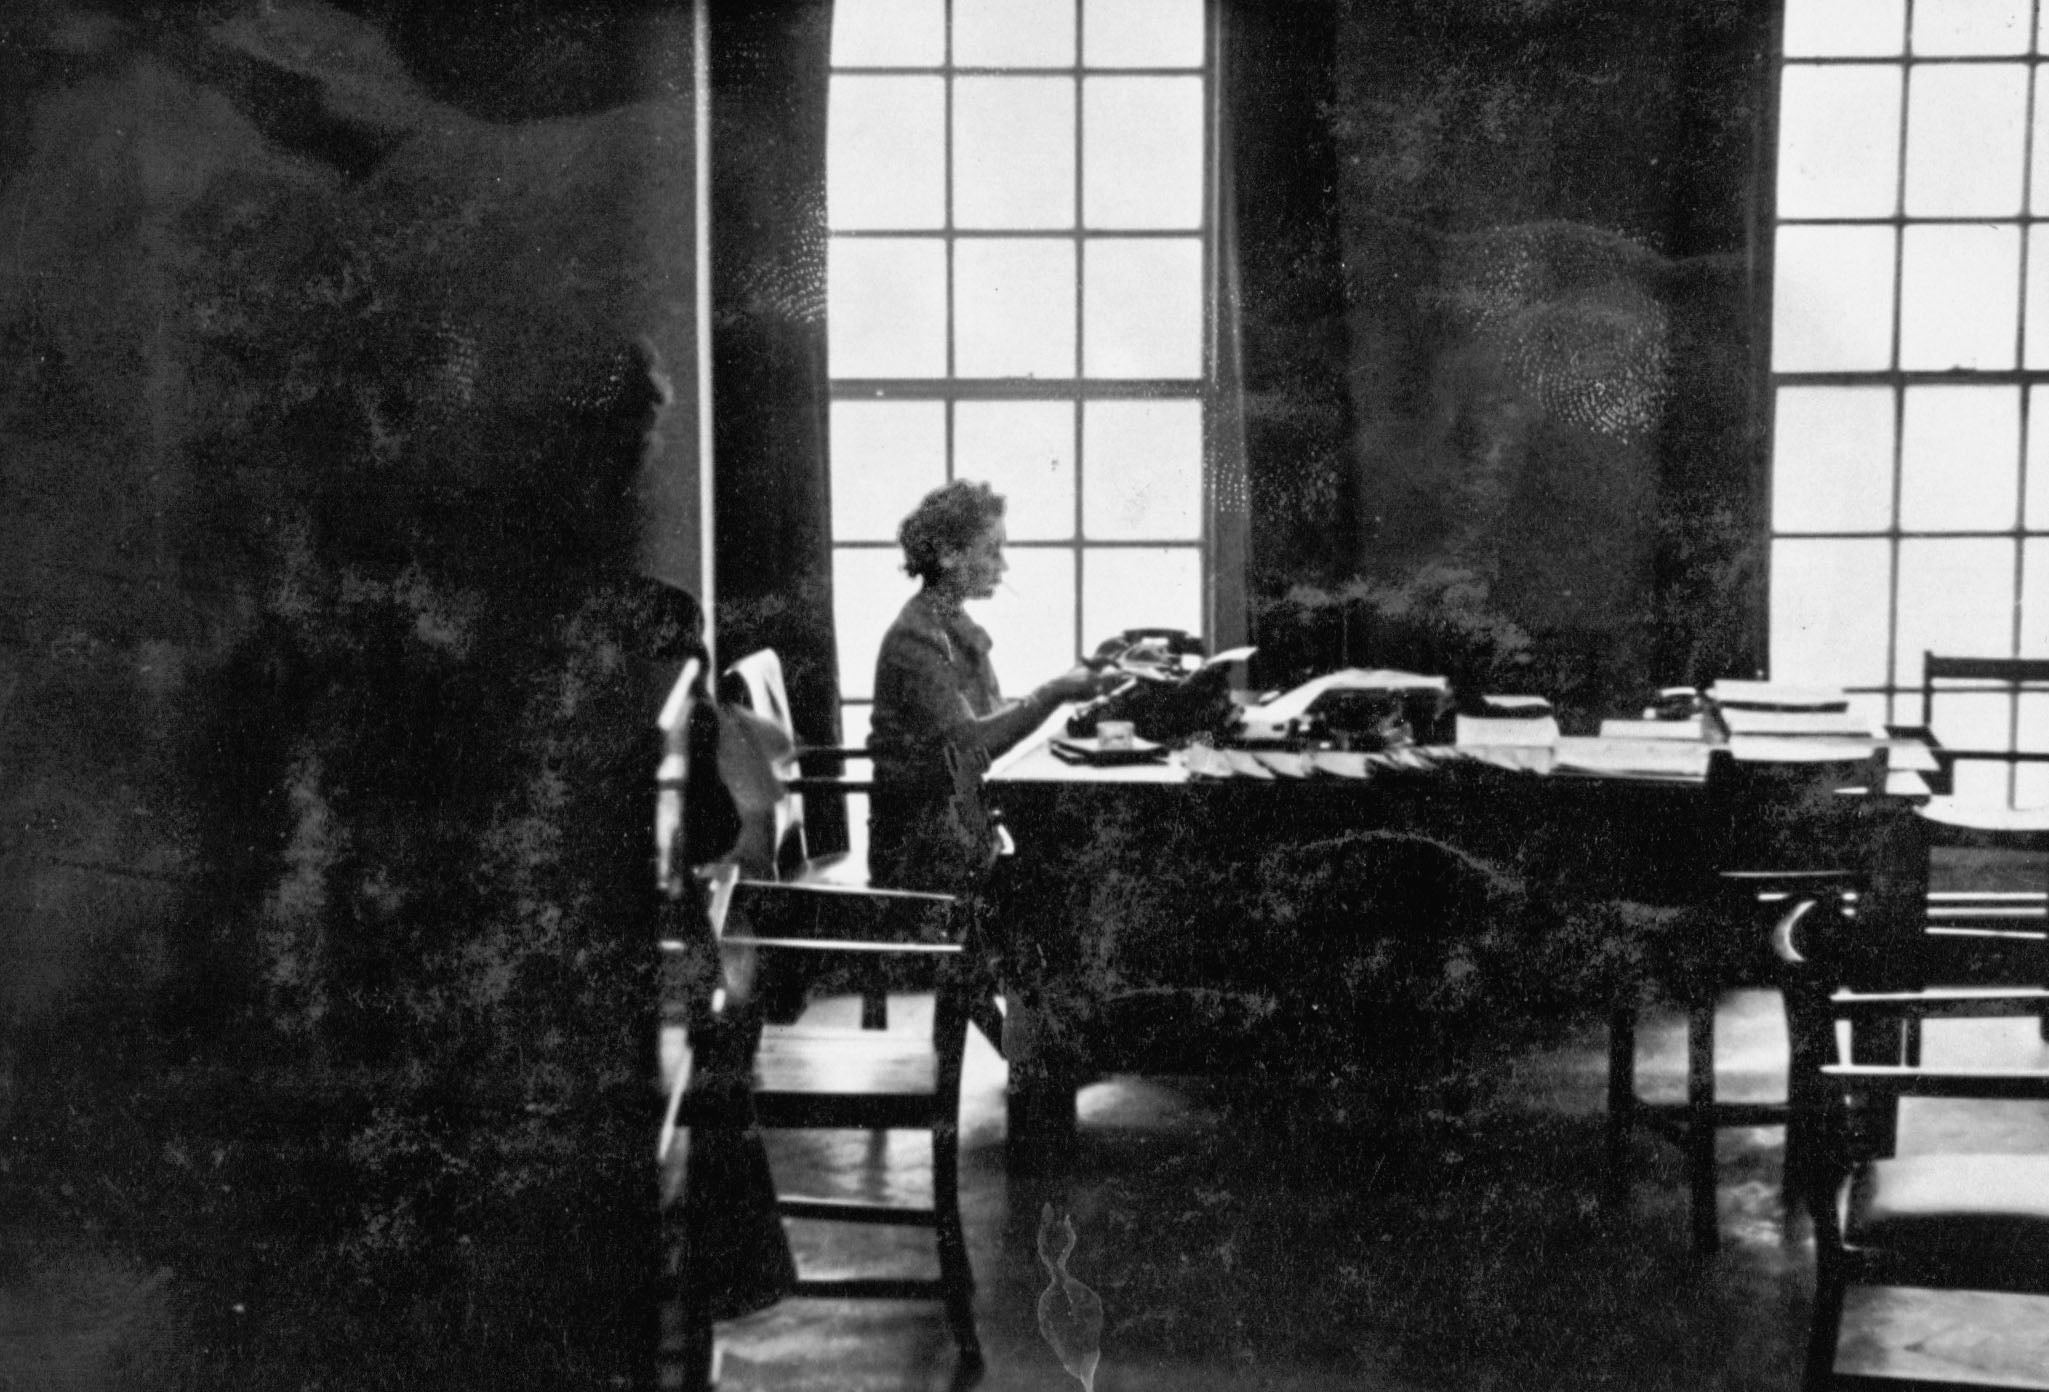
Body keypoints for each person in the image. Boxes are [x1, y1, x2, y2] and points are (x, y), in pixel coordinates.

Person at [867, 480, 1114, 894]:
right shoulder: (916, 641)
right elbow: (969, 744)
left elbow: (990, 717)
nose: (1003, 566)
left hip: (957, 832)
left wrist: (1075, 677)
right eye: (992, 550)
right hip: (921, 853)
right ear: (948, 555)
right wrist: (1055, 692)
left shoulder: (952, 628)